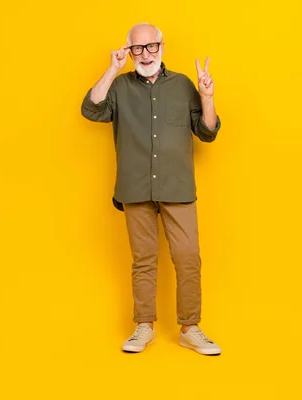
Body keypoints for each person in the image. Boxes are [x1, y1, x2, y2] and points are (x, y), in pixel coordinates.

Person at [81, 22, 222, 355]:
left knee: (188, 257)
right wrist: (113, 68)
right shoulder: (119, 87)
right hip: (135, 186)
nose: (145, 54)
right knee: (143, 259)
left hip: (177, 186)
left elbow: (208, 132)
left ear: (162, 46)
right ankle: (143, 326)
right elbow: (91, 109)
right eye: (137, 49)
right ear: (129, 52)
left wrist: (207, 97)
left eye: (151, 46)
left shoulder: (184, 85)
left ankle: (190, 328)